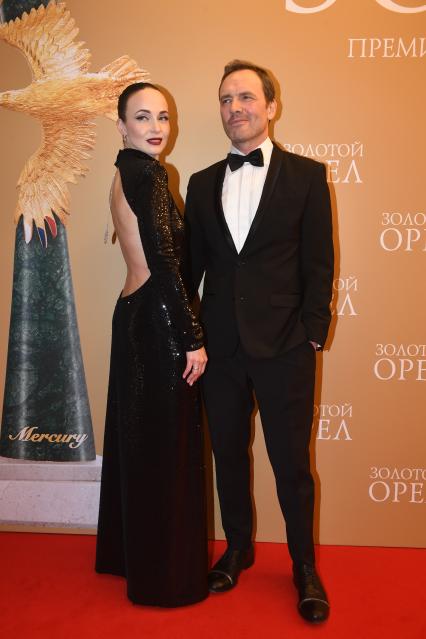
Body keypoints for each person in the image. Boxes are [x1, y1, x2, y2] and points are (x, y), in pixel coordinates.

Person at [185, 61, 334, 623]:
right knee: (227, 456)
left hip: (286, 347)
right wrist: (191, 336)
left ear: (270, 106)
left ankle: (304, 566)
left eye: (245, 97)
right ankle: (238, 549)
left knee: (291, 465)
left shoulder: (307, 176)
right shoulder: (201, 183)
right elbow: (190, 271)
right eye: (226, 99)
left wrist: (312, 335)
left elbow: (319, 263)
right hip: (220, 350)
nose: (235, 108)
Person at [95, 82, 208, 607]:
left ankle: (129, 558)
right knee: (165, 449)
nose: (157, 127)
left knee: (140, 444)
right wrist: (192, 338)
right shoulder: (151, 174)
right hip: (159, 321)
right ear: (121, 125)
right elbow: (164, 261)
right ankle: (164, 579)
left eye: (163, 116)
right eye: (143, 117)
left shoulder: (124, 171)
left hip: (132, 315)